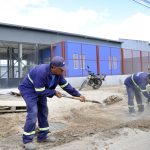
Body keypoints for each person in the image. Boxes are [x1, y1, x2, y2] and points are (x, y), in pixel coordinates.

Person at [18, 56, 86, 150]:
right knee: (33, 112)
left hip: (41, 90)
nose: (63, 72)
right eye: (61, 70)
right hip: (29, 90)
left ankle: (42, 137)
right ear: (53, 67)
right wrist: (53, 92)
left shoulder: (58, 74)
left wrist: (78, 95)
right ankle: (27, 141)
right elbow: (39, 91)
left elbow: (66, 86)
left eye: (63, 69)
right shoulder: (41, 72)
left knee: (43, 111)